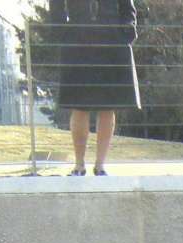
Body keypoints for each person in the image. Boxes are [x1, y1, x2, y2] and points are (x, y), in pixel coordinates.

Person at [52, 0, 139, 176]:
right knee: (79, 106)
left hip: (112, 41)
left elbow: (128, 9)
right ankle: (79, 165)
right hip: (77, 40)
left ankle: (100, 166)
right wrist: (62, 31)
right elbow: (56, 5)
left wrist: (126, 31)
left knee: (108, 106)